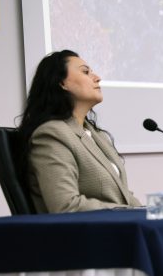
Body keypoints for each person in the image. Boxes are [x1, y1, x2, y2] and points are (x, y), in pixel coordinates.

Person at [18, 50, 141, 213]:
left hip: (117, 224)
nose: (97, 77)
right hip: (87, 229)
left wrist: (151, 211)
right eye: (85, 72)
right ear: (62, 83)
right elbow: (65, 205)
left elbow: (124, 197)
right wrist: (127, 211)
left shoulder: (96, 135)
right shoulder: (51, 134)